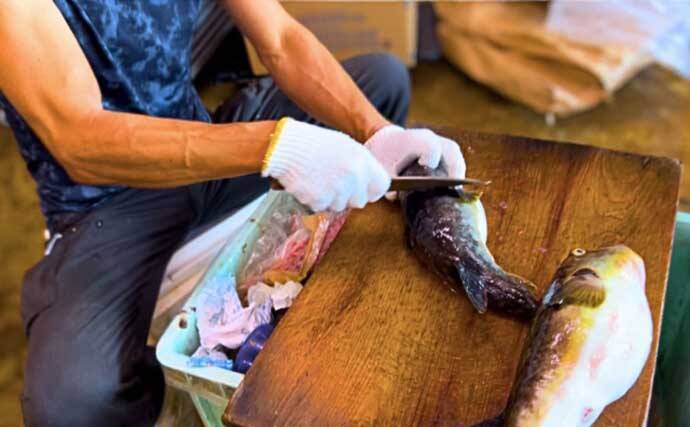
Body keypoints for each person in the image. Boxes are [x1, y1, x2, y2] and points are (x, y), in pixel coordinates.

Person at [0, 0, 465, 425]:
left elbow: (280, 37)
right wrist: (276, 147)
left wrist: (377, 131)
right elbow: (81, 139)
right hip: (106, 204)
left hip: (201, 150)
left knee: (380, 81)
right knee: (72, 405)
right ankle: (169, 392)